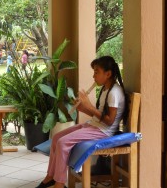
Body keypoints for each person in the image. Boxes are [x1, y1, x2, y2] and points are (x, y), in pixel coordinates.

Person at [36, 56, 127, 188]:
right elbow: (99, 115)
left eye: (96, 72)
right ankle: (50, 176)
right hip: (94, 125)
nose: (93, 76)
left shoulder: (114, 92)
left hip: (103, 131)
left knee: (62, 142)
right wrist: (82, 108)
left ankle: (59, 183)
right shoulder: (106, 89)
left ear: (108, 74)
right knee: (56, 138)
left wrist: (89, 106)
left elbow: (109, 121)